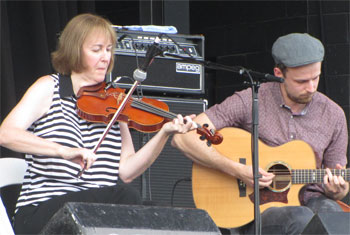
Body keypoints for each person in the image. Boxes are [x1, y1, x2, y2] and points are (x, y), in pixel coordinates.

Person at [0, 13, 197, 234]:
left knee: (161, 214)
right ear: (75, 51)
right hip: (42, 213)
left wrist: (164, 133)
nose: (105, 57)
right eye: (96, 50)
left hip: (93, 217)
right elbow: (6, 133)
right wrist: (63, 151)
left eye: (108, 49)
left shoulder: (115, 101)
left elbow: (127, 171)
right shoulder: (49, 87)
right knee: (126, 197)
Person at [172, 33, 349, 234]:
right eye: (301, 81)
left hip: (312, 201)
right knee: (300, 218)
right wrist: (237, 170)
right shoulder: (251, 100)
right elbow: (183, 137)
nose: (311, 88)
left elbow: (337, 182)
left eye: (315, 78)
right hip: (257, 210)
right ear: (278, 73)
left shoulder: (333, 115)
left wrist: (338, 189)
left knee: (334, 218)